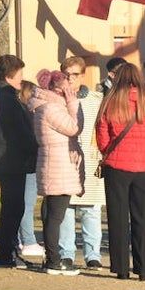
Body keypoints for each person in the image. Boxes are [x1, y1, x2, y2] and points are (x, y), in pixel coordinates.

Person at [95, 63, 145, 281]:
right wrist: (144, 149)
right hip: (144, 165)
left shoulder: (111, 101)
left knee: (117, 217)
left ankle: (121, 268)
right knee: (142, 219)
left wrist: (110, 152)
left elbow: (102, 134)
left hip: (117, 166)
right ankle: (144, 270)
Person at [30, 69, 83, 276]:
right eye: (67, 87)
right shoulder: (52, 108)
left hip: (53, 163)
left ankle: (51, 258)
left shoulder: (44, 106)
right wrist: (73, 104)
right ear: (57, 89)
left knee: (50, 214)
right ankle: (54, 260)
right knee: (55, 216)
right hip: (59, 166)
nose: (71, 91)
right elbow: (74, 128)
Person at [0, 54, 39, 269]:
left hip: (6, 159)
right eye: (19, 73)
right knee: (13, 208)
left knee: (12, 207)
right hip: (11, 159)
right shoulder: (8, 99)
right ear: (10, 75)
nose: (22, 78)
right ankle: (6, 254)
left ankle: (8, 253)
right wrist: (35, 148)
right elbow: (19, 133)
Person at [58, 56, 105, 271]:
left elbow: (102, 128)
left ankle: (92, 254)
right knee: (66, 209)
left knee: (90, 210)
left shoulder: (97, 99)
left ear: (83, 75)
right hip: (65, 158)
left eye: (74, 74)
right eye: (66, 74)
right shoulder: (56, 98)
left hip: (90, 156)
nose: (70, 79)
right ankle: (66, 253)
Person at [15, 79, 44, 261]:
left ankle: (19, 240)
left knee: (19, 204)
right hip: (29, 164)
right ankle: (28, 240)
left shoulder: (17, 113)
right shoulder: (29, 115)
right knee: (27, 204)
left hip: (19, 164)